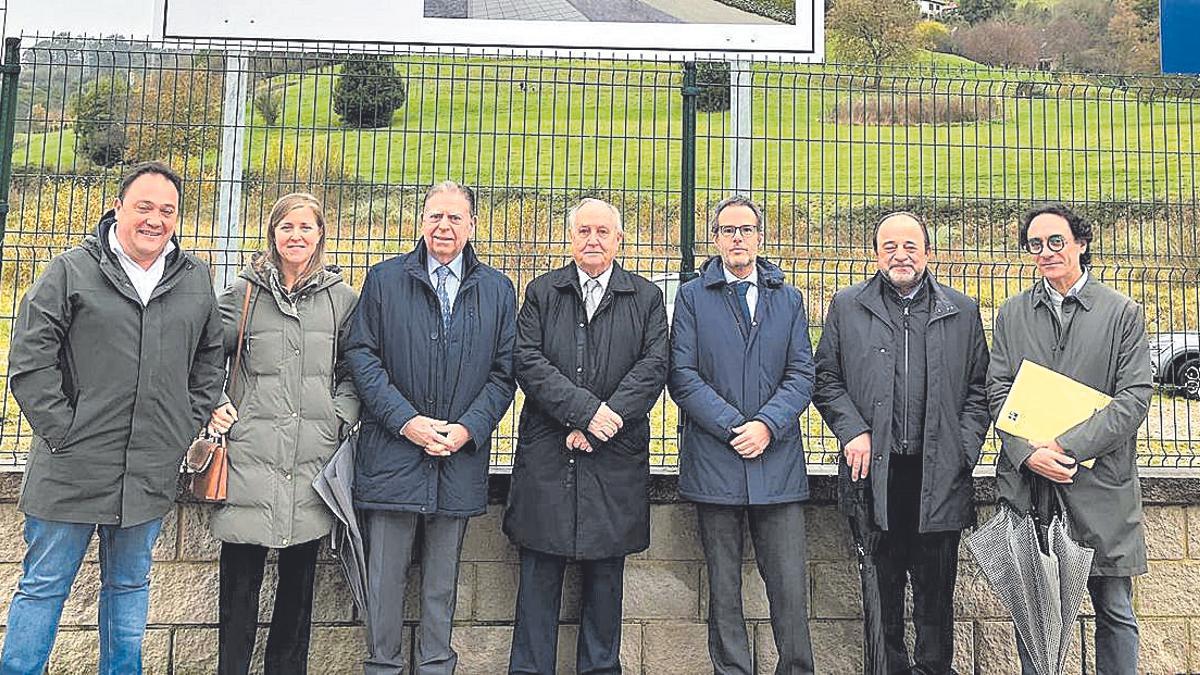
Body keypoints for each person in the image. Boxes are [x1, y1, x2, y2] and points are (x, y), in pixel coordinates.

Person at [1, 162, 226, 675]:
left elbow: (210, 361)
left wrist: (179, 430)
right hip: (70, 469)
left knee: (128, 590)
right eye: (144, 207)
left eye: (167, 210)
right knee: (43, 588)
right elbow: (30, 360)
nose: (155, 220)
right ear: (118, 207)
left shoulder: (195, 280)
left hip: (148, 472)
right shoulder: (71, 270)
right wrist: (64, 432)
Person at [344, 181, 517, 675]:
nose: (443, 227)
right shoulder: (384, 280)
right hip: (393, 455)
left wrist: (467, 429)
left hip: (458, 457)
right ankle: (382, 666)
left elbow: (504, 373)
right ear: (421, 221)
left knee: (443, 582)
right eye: (435, 216)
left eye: (455, 218)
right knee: (385, 580)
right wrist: (406, 422)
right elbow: (362, 356)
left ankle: (438, 665)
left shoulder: (498, 289)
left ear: (472, 225)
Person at [812, 211, 990, 674]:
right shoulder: (848, 306)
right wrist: (853, 430)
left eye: (910, 245)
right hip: (874, 476)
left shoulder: (962, 310)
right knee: (880, 598)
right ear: (876, 254)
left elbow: (979, 390)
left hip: (939, 477)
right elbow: (825, 379)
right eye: (890, 246)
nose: (900, 254)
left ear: (928, 252)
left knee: (936, 599)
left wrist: (963, 450)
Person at [504, 198, 669, 675]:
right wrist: (583, 413)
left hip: (613, 458)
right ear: (570, 238)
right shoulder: (542, 292)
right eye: (583, 231)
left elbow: (654, 365)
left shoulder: (645, 297)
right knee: (537, 581)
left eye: (602, 232)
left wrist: (604, 422)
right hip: (550, 457)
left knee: (604, 586)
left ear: (620, 239)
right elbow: (528, 362)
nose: (592, 240)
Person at [988, 203, 1152, 675]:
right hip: (1029, 487)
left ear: (1081, 244)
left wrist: (1063, 447)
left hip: (1101, 490)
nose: (1045, 252)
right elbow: (997, 389)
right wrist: (1027, 454)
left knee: (1115, 612)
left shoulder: (1122, 313)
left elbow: (1134, 399)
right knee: (1034, 616)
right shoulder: (1012, 312)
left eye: (1056, 241)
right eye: (1035, 245)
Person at [204, 193, 360, 674]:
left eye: (306, 228)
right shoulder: (243, 294)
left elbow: (356, 368)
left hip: (312, 459)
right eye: (287, 227)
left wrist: (337, 417)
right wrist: (216, 403)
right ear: (271, 233)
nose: (296, 236)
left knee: (298, 593)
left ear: (320, 236)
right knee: (239, 589)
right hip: (250, 457)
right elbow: (206, 355)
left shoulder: (342, 299)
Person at [668, 195, 816, 675]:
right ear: (714, 238)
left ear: (759, 236)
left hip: (777, 464)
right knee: (724, 585)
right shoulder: (691, 297)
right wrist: (735, 427)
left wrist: (766, 425)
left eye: (746, 230)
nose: (737, 238)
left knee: (790, 587)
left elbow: (801, 374)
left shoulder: (788, 298)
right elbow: (683, 375)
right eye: (728, 230)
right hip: (716, 461)